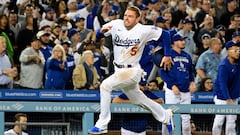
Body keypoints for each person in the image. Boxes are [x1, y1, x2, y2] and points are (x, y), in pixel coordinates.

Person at [88, 6, 174, 134]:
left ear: (138, 18)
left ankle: (102, 124)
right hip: (119, 70)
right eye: (125, 15)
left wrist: (167, 55)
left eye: (130, 16)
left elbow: (166, 35)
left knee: (105, 86)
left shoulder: (144, 30)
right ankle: (165, 116)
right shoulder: (116, 24)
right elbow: (99, 34)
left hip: (132, 70)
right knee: (139, 100)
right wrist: (101, 32)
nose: (126, 18)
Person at [160, 34, 195, 135]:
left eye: (183, 40)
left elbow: (190, 71)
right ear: (174, 42)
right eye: (180, 40)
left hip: (185, 91)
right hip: (172, 91)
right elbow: (163, 73)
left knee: (186, 117)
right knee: (169, 116)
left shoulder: (187, 56)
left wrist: (192, 82)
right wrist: (171, 85)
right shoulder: (168, 55)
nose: (183, 42)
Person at [212, 40, 240, 135]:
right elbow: (222, 83)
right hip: (222, 97)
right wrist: (227, 98)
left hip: (233, 96)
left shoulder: (238, 63)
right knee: (219, 121)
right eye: (235, 50)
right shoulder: (224, 65)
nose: (237, 53)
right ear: (228, 51)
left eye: (238, 50)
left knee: (231, 123)